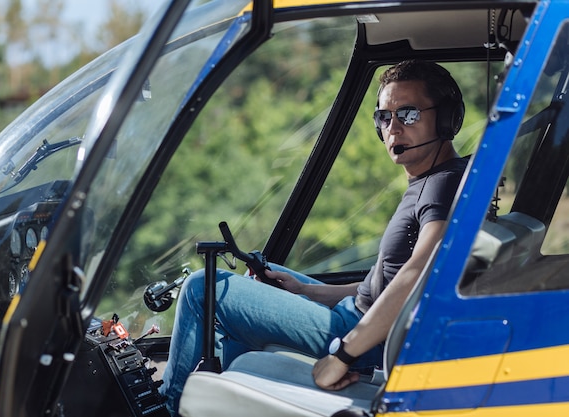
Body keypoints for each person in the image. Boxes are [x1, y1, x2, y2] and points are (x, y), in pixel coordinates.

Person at [159, 60, 469, 414]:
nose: (393, 128)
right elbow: (381, 285)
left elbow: (420, 274)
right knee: (264, 275)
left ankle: (169, 408)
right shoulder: (431, 180)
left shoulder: (442, 184)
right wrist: (305, 291)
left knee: (203, 288)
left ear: (447, 120)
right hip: (359, 319)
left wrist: (343, 353)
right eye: (384, 117)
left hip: (359, 334)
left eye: (408, 114)